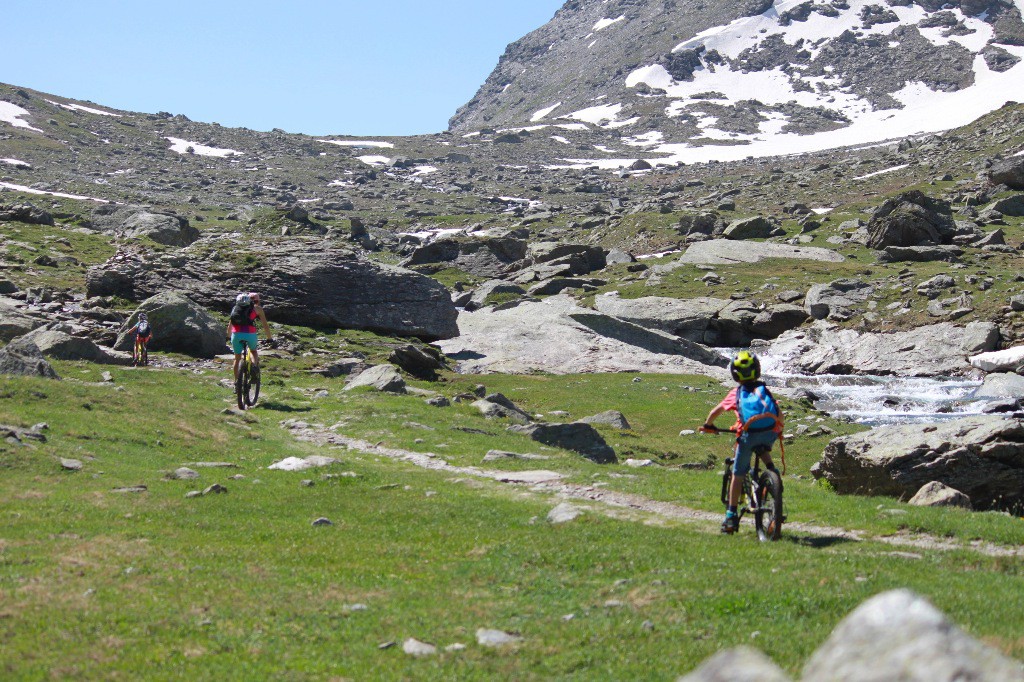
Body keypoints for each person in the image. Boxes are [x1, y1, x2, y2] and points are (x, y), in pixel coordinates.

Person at [700, 350, 783, 534]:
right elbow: (778, 412)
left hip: (748, 435)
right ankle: (773, 472)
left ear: (735, 374)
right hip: (769, 432)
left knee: (738, 473)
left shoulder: (736, 392)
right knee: (762, 446)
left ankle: (730, 517)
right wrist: (778, 430)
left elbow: (716, 411)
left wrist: (708, 425)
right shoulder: (764, 390)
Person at [227, 292, 273, 381]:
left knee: (237, 358)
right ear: (257, 300)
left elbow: (230, 325)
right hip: (250, 334)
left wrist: (228, 336)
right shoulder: (258, 309)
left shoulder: (236, 309)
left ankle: (236, 383)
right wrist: (269, 338)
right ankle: (254, 367)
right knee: (253, 351)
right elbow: (265, 325)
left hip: (236, 334)